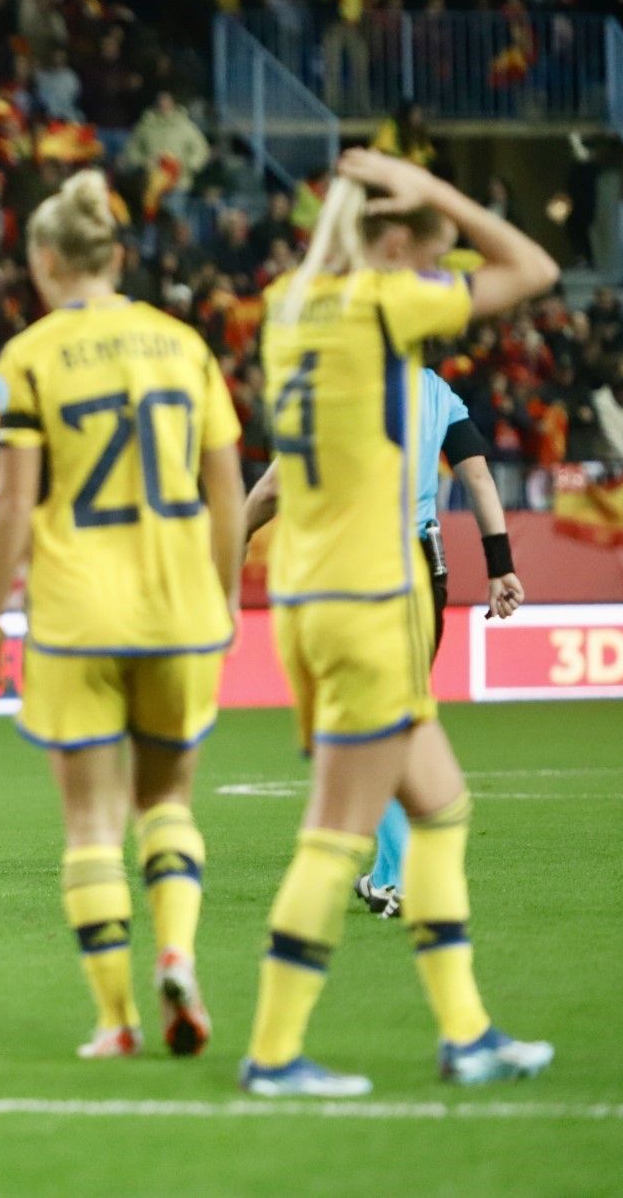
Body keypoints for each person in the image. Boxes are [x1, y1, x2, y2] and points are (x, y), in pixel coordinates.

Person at [240, 148, 558, 1097]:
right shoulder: (383, 304)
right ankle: (273, 1051)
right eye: (430, 246)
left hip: (314, 592)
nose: (439, 264)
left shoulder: (290, 309)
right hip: (371, 595)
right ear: (394, 242)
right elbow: (533, 268)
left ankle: (468, 1032)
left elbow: (271, 483)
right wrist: (439, 192)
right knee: (338, 833)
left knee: (441, 808)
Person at [0, 170, 246, 1061]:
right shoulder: (185, 346)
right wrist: (228, 591)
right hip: (177, 606)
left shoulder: (28, 357)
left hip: (77, 610)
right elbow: (228, 488)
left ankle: (118, 1019)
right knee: (166, 800)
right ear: (117, 255)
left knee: (90, 827)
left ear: (45, 261)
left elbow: (13, 504)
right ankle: (178, 950)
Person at [244, 362, 525, 917]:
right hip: (425, 573)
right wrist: (501, 567)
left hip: (357, 569)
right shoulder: (436, 389)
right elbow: (478, 479)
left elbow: (275, 487)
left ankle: (400, 875)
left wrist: (231, 545)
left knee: (364, 727)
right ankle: (393, 871)